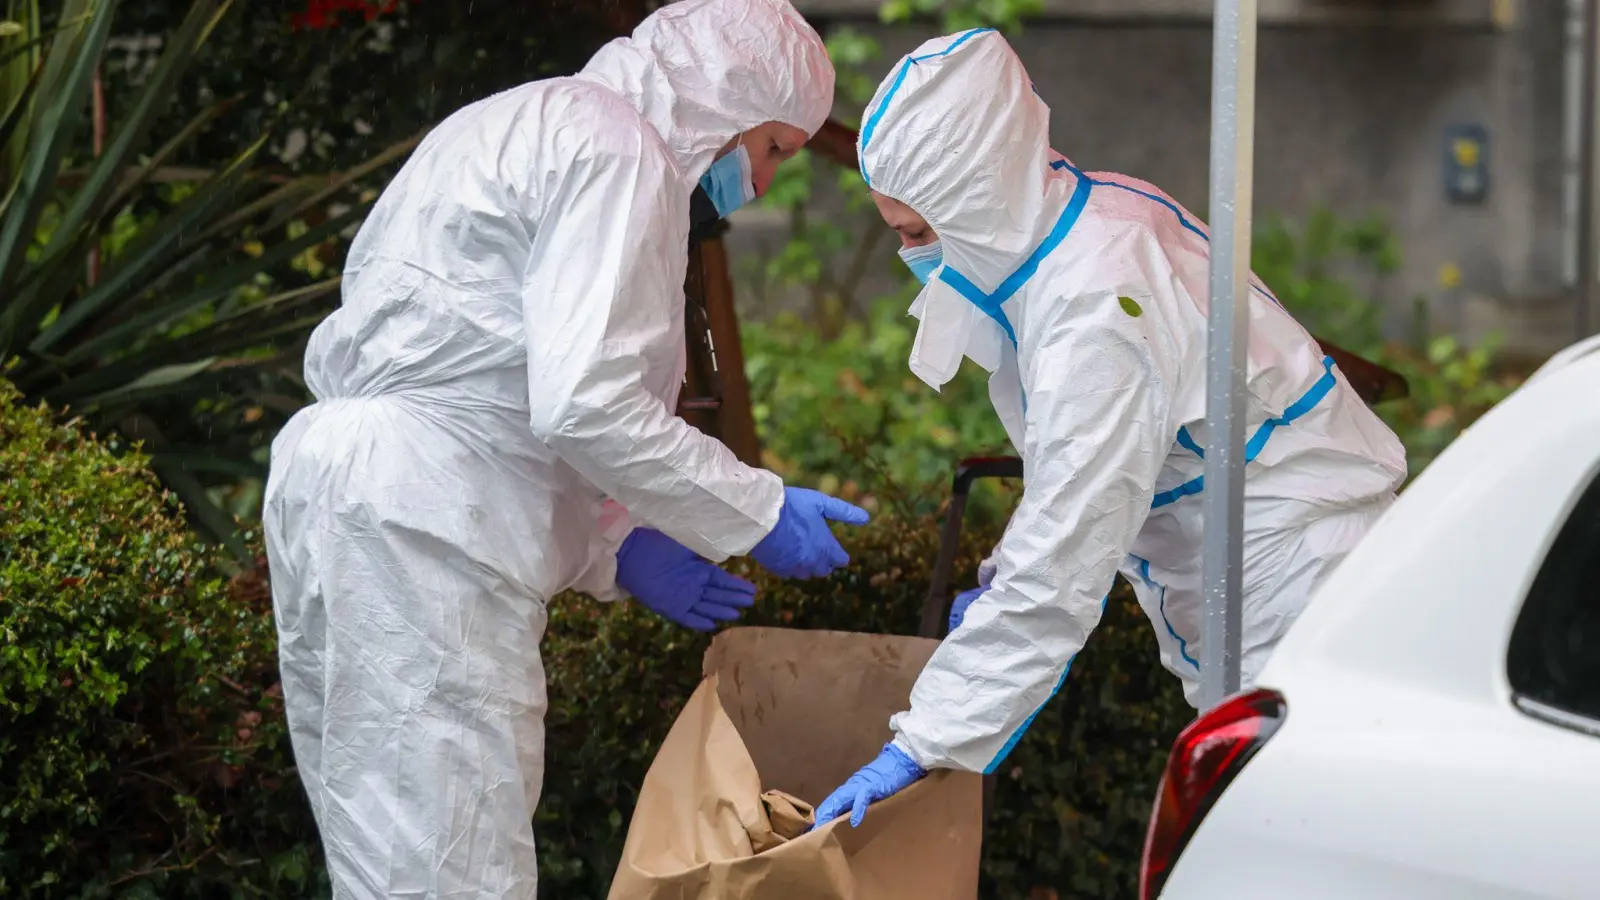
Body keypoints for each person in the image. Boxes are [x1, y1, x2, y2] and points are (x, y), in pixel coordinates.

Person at [262, 1, 853, 895]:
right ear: (727, 95)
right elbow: (585, 404)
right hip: (428, 525)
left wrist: (616, 544)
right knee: (453, 871)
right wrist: (757, 509)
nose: (764, 182)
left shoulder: (513, 121)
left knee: (386, 854)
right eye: (772, 148)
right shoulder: (622, 151)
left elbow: (495, 378)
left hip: (348, 492)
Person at [812, 28, 1406, 829]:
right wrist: (1001, 579)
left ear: (978, 202)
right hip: (1279, 583)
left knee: (1317, 839)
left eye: (919, 234)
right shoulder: (1087, 223)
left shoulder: (1097, 308)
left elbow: (1066, 551)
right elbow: (1081, 469)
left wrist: (924, 742)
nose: (912, 257)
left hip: (1292, 602)